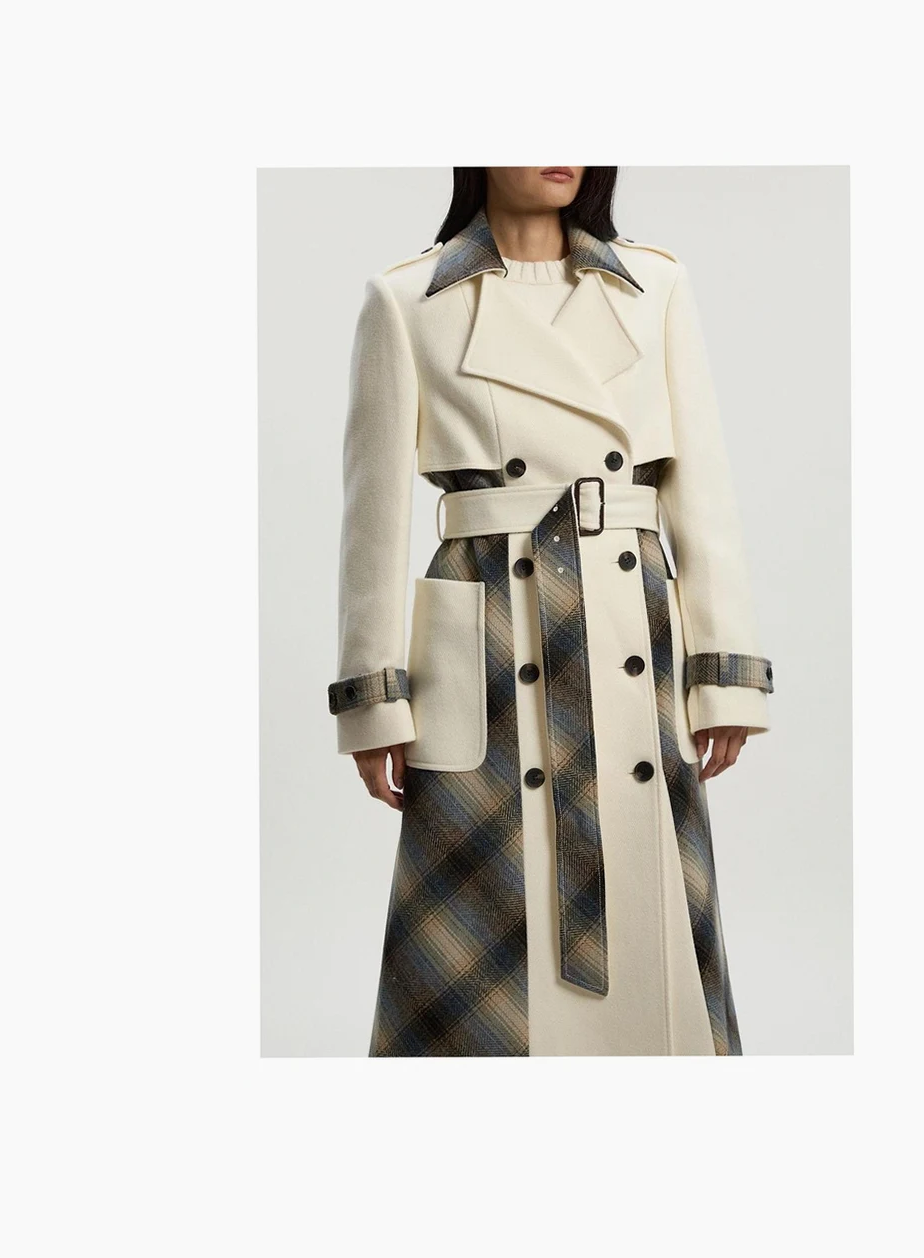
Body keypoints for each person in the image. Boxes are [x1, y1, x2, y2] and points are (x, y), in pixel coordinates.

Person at [329, 167, 773, 1056]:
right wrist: (374, 699)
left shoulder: (654, 287)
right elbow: (373, 519)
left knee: (650, 925)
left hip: (626, 622)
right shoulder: (407, 299)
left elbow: (703, 489)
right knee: (484, 941)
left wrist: (724, 671)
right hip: (486, 646)